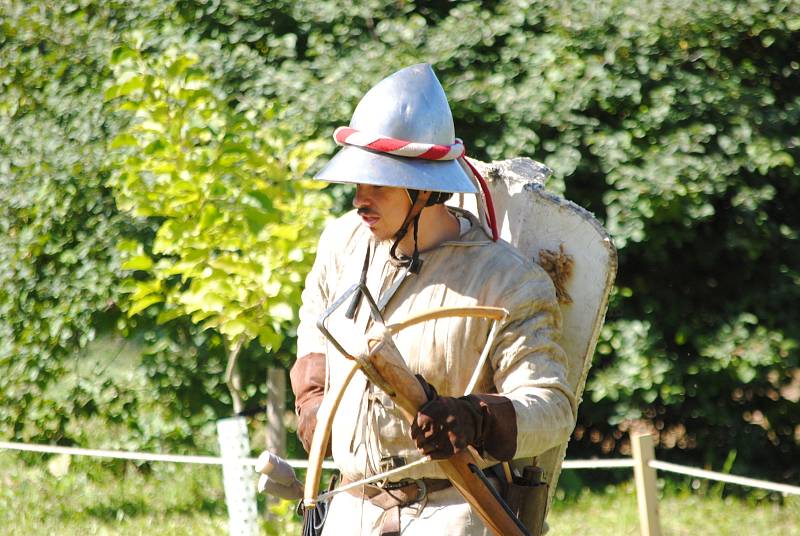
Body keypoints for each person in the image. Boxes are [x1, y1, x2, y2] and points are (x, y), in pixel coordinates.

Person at [289, 64, 576, 536]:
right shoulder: (343, 243)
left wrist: (474, 418)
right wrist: (314, 399)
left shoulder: (507, 280)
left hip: (455, 512)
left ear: (425, 189)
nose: (360, 199)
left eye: (378, 183)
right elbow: (313, 323)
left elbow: (552, 406)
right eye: (357, 182)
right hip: (348, 507)